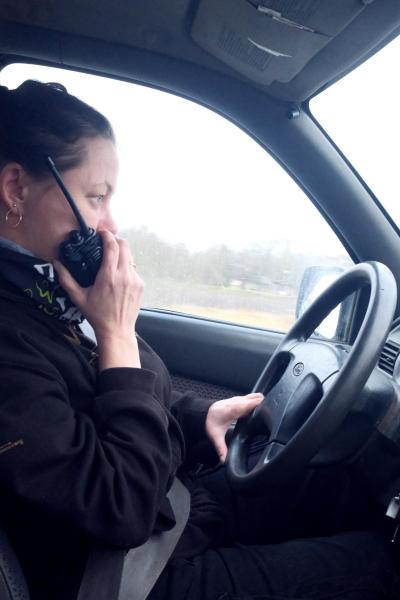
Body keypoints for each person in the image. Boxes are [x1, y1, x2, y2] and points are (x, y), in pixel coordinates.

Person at [0, 80, 396, 600]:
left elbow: (93, 408)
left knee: (334, 487)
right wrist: (116, 332)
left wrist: (195, 417)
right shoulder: (11, 335)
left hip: (171, 512)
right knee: (381, 566)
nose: (110, 225)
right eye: (96, 197)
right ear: (16, 188)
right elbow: (120, 507)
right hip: (120, 575)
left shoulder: (45, 296)